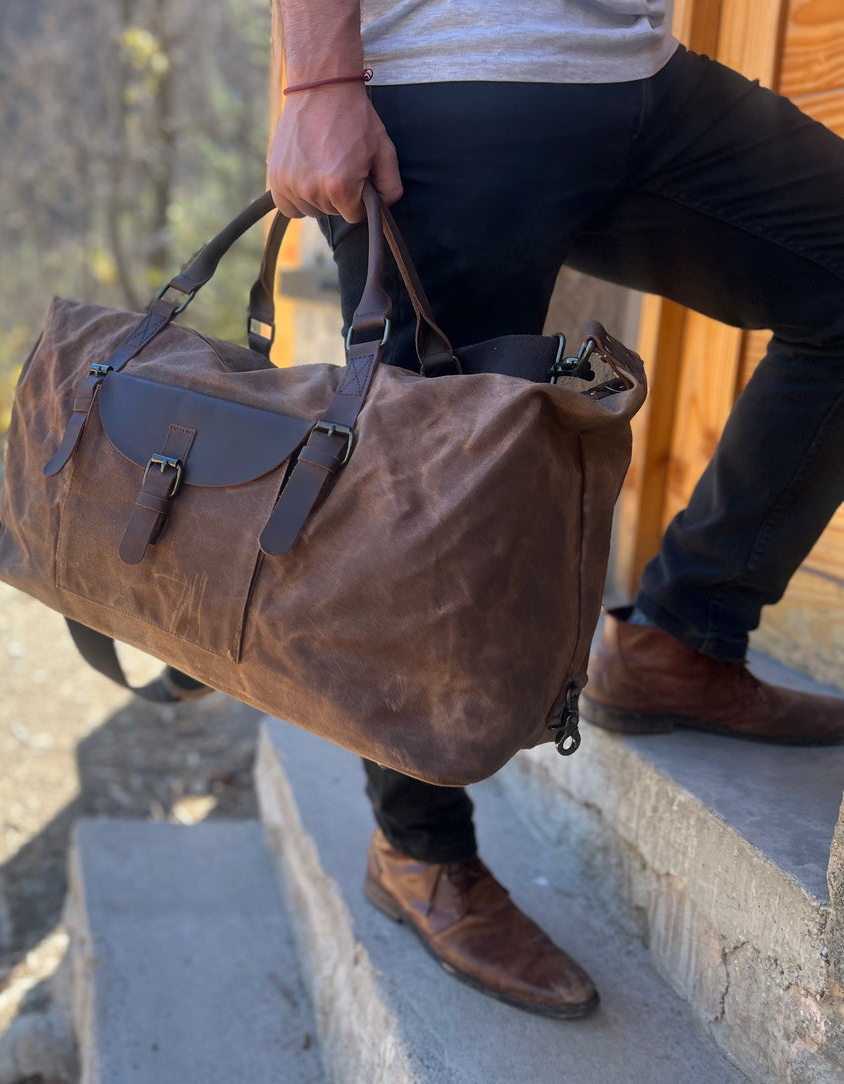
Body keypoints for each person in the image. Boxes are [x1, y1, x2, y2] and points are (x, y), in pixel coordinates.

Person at [263, 0, 844, 1019]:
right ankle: (418, 849)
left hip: (637, 72)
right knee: (420, 477)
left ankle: (682, 638)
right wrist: (315, 78)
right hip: (441, 82)